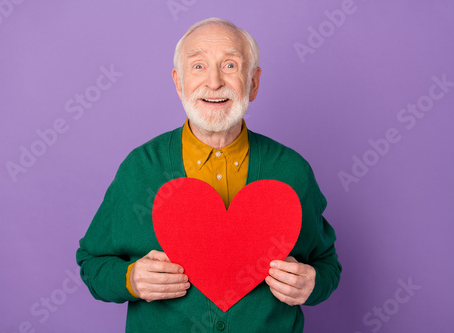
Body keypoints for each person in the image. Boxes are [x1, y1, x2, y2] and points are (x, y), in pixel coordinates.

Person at [76, 17, 342, 332]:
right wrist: (129, 279)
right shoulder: (140, 168)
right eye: (198, 66)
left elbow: (327, 265)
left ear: (253, 83)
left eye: (230, 66)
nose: (214, 82)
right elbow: (91, 262)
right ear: (178, 82)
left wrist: (312, 284)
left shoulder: (292, 171)